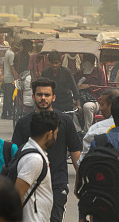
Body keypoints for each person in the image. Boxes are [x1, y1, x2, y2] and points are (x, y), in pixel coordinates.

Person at [12, 77, 81, 222]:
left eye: (47, 95)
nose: (43, 98)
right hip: (30, 184)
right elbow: (15, 153)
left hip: (57, 183)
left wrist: (79, 179)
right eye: (39, 94)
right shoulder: (24, 123)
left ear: (53, 97)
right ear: (33, 97)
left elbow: (75, 150)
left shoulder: (65, 121)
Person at [16, 110, 59, 222]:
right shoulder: (34, 159)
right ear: (49, 134)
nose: (56, 137)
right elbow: (17, 193)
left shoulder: (32, 150)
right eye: (56, 134)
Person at [75, 56, 102, 130]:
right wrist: (78, 87)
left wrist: (89, 86)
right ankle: (78, 130)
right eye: (85, 60)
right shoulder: (78, 74)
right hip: (79, 100)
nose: (87, 63)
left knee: (87, 107)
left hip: (94, 100)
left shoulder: (99, 72)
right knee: (69, 109)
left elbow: (103, 88)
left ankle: (87, 130)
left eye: (89, 61)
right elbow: (73, 88)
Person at [2, 40, 19, 119]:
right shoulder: (11, 54)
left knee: (6, 97)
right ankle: (10, 113)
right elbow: (12, 67)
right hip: (10, 78)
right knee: (10, 97)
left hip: (6, 77)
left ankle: (4, 113)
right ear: (13, 46)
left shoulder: (7, 52)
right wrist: (16, 77)